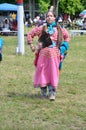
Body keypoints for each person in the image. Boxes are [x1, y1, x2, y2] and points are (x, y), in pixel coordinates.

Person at [27, 9, 70, 100]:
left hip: (54, 55)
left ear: (54, 17)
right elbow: (30, 34)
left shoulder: (59, 29)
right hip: (43, 55)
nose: (49, 17)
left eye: (51, 16)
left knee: (53, 73)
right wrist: (31, 44)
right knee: (42, 72)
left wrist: (63, 48)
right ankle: (43, 92)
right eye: (48, 16)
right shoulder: (42, 28)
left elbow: (67, 37)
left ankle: (52, 93)